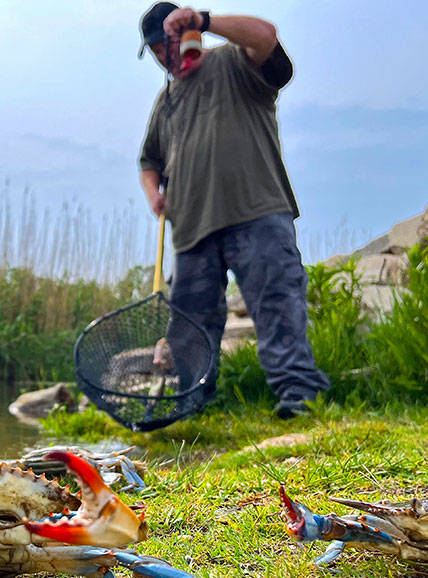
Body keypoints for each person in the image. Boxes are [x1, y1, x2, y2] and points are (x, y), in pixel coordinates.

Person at [137, 2, 329, 419]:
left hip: (256, 210)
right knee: (190, 324)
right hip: (191, 228)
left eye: (167, 48)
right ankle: (190, 404)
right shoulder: (166, 99)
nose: (165, 60)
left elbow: (265, 35)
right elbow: (148, 161)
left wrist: (204, 20)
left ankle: (299, 395)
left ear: (187, 36)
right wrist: (154, 194)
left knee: (277, 302)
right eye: (156, 54)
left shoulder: (232, 61)